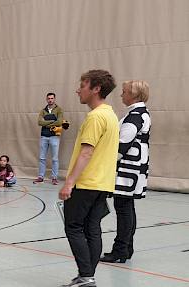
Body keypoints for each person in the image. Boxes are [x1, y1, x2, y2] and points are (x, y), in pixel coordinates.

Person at [59, 70, 119, 287]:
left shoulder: (95, 117)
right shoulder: (110, 115)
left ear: (96, 89)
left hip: (86, 183)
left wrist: (69, 182)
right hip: (102, 183)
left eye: (82, 85)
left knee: (73, 227)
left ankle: (86, 276)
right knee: (91, 228)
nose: (78, 89)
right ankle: (87, 276)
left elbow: (86, 152)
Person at [102, 80, 151, 264]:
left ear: (134, 95)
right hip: (133, 169)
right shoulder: (139, 113)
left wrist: (103, 163)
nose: (121, 95)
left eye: (124, 92)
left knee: (123, 209)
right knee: (127, 209)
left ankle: (120, 250)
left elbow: (121, 145)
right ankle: (126, 248)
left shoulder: (136, 115)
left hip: (128, 170)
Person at [36, 92, 65, 185]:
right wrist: (53, 121)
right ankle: (40, 177)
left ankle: (54, 178)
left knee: (55, 159)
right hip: (44, 136)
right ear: (46, 99)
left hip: (54, 137)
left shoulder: (59, 110)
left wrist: (47, 122)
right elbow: (40, 122)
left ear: (54, 99)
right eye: (48, 98)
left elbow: (60, 122)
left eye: (52, 98)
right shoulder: (43, 110)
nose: (50, 100)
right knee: (42, 158)